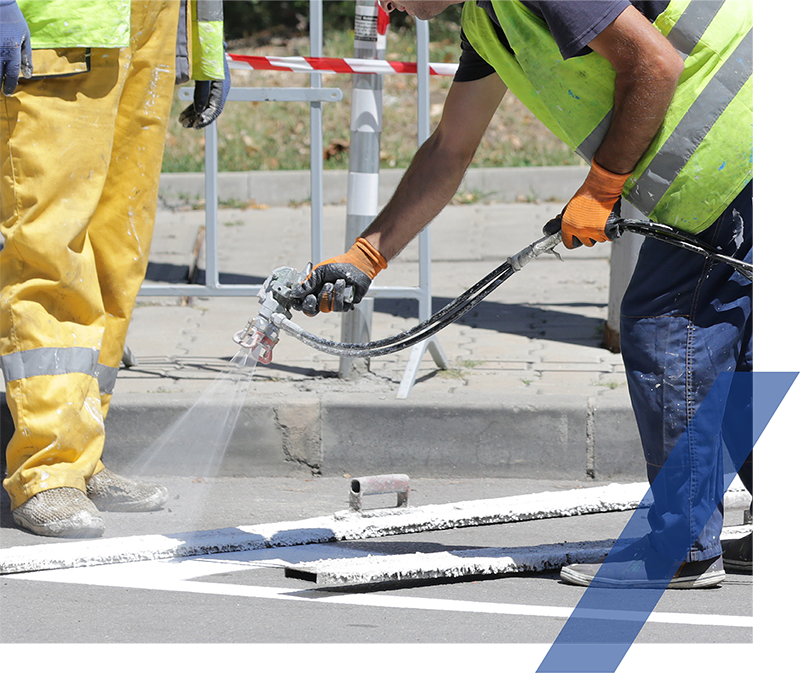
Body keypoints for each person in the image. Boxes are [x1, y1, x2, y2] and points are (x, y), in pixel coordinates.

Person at [289, 0, 752, 588]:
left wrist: (603, 187)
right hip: (737, 157)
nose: (388, 6)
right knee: (715, 338)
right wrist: (367, 255)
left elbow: (654, 62)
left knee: (666, 326)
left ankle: (683, 546)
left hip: (738, 149)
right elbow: (450, 149)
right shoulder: (487, 23)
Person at [0, 0, 229, 538]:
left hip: (145, 24)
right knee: (49, 251)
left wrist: (205, 49)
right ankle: (46, 469)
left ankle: (79, 453)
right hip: (59, 27)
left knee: (116, 253)